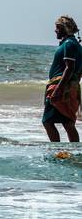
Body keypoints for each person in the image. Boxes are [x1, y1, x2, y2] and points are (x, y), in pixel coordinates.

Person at [44, 15, 81, 143]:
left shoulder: (69, 44)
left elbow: (69, 68)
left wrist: (58, 90)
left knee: (47, 121)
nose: (55, 30)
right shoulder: (75, 44)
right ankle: (76, 152)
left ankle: (57, 151)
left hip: (60, 87)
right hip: (70, 87)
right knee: (68, 122)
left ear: (65, 28)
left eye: (58, 28)